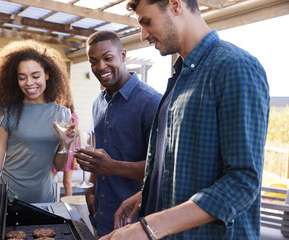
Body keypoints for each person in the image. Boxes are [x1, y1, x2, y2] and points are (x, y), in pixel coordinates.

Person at [100, 0, 270, 239]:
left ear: (175, 5)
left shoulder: (235, 66)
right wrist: (146, 194)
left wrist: (149, 227)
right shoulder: (180, 77)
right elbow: (178, 165)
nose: (143, 35)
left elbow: (243, 182)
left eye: (146, 22)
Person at [74, 30, 162, 237]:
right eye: (93, 61)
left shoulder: (151, 102)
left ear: (123, 56)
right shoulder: (98, 102)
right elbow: (99, 152)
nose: (100, 67)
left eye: (108, 58)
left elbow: (160, 169)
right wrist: (90, 191)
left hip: (135, 222)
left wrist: (113, 167)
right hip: (101, 215)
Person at [0, 39, 75, 203]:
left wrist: (65, 144)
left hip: (46, 200)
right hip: (10, 200)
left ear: (47, 74)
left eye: (35, 76)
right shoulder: (6, 112)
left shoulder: (62, 114)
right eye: (22, 77)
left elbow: (58, 166)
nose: (29, 83)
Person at [52, 103, 80, 196]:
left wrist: (75, 159)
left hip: (70, 150)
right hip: (58, 148)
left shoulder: (73, 115)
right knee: (50, 180)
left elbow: (75, 136)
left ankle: (69, 205)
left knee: (67, 183)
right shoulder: (55, 113)